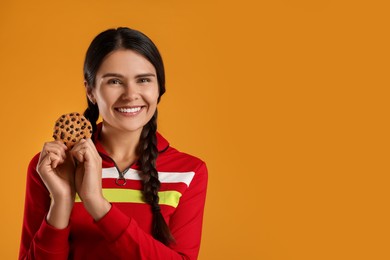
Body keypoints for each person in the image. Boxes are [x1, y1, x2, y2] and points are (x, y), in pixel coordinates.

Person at [19, 27, 208, 260]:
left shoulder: (188, 171)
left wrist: (97, 204)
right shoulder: (52, 168)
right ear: (90, 90)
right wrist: (62, 200)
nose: (131, 94)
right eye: (115, 81)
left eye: (144, 80)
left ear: (159, 88)